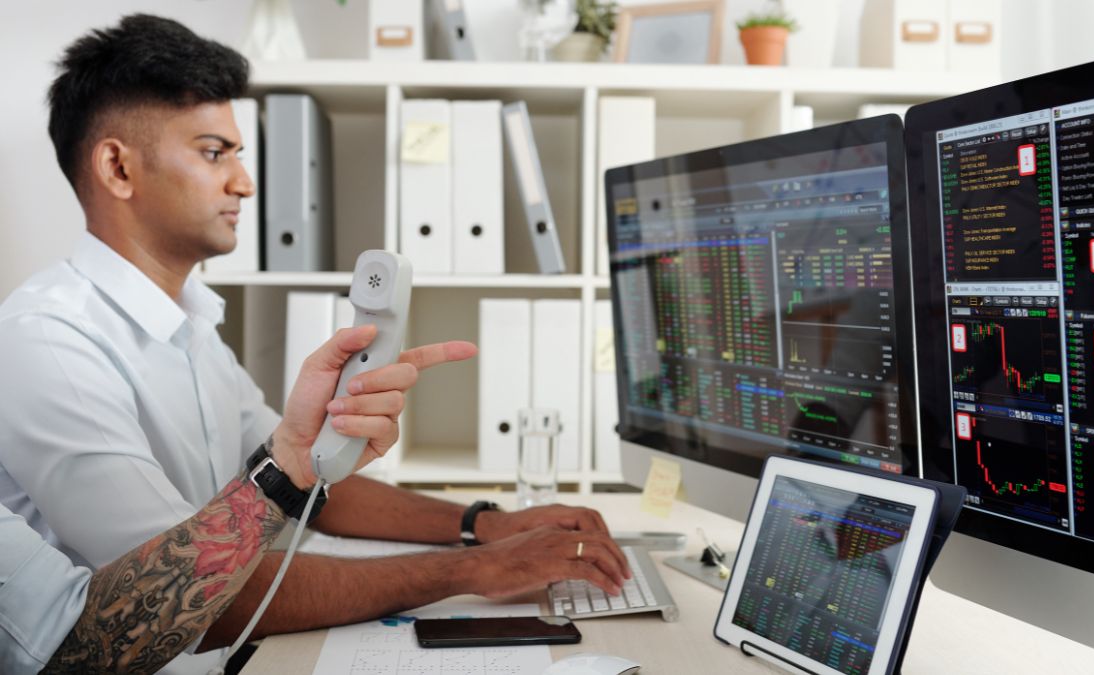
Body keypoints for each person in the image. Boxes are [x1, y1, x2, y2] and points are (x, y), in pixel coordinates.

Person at [0, 13, 629, 674]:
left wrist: (483, 520)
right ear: (118, 167)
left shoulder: (190, 323)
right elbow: (205, 598)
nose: (244, 182)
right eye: (216, 152)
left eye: (240, 155)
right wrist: (472, 567)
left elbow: (313, 482)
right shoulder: (49, 344)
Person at [7, 324, 410, 674]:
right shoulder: (43, 342)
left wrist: (471, 520)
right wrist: (452, 571)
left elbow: (307, 464)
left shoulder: (198, 333)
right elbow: (90, 641)